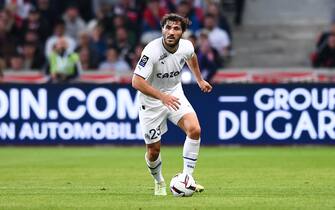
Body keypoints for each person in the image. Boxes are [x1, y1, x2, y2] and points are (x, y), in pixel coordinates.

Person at [132, 13, 212, 196]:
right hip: (151, 102)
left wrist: (199, 80)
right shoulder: (151, 51)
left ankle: (187, 178)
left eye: (176, 28)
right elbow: (136, 82)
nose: (171, 32)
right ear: (162, 30)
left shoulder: (186, 46)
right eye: (167, 27)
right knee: (153, 151)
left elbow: (191, 57)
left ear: (182, 33)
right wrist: (161, 97)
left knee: (195, 130)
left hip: (175, 94)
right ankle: (159, 181)